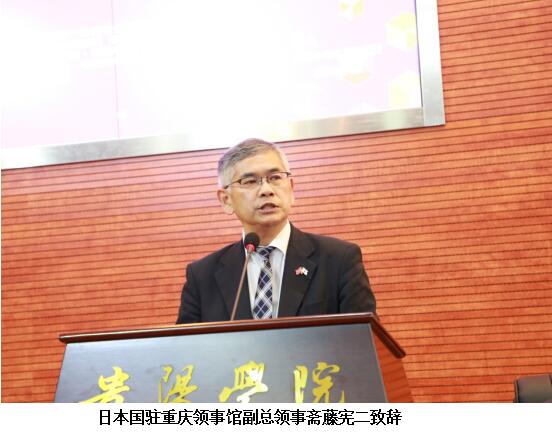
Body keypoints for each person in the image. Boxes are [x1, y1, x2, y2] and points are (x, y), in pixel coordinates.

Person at [176, 138, 376, 324]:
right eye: (250, 181)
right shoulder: (202, 277)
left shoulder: (339, 260)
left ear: (291, 188)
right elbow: (187, 347)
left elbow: (362, 340)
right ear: (226, 200)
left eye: (275, 178)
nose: (266, 190)